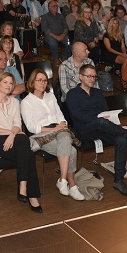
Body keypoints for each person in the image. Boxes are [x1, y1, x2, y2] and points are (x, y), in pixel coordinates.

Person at [66, 64, 127, 197]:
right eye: (89, 76)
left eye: (94, 76)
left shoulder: (97, 93)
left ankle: (119, 180)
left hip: (101, 128)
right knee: (100, 121)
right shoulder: (72, 94)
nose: (92, 79)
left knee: (121, 140)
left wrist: (109, 117)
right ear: (80, 76)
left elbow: (105, 111)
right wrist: (99, 118)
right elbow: (77, 115)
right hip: (84, 130)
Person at [0, 72, 43, 212]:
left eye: (11, 83)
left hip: (14, 139)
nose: (9, 85)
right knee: (25, 147)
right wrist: (12, 133)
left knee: (27, 151)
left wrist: (13, 134)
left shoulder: (14, 102)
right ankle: (30, 194)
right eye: (5, 82)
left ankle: (23, 187)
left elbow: (17, 124)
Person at [20, 69, 84, 201]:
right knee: (72, 151)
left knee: (65, 137)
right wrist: (54, 129)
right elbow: (31, 127)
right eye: (39, 80)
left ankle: (63, 180)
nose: (43, 83)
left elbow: (59, 114)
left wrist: (62, 124)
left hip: (59, 130)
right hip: (41, 135)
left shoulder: (50, 96)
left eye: (45, 81)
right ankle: (71, 184)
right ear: (32, 82)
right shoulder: (26, 102)